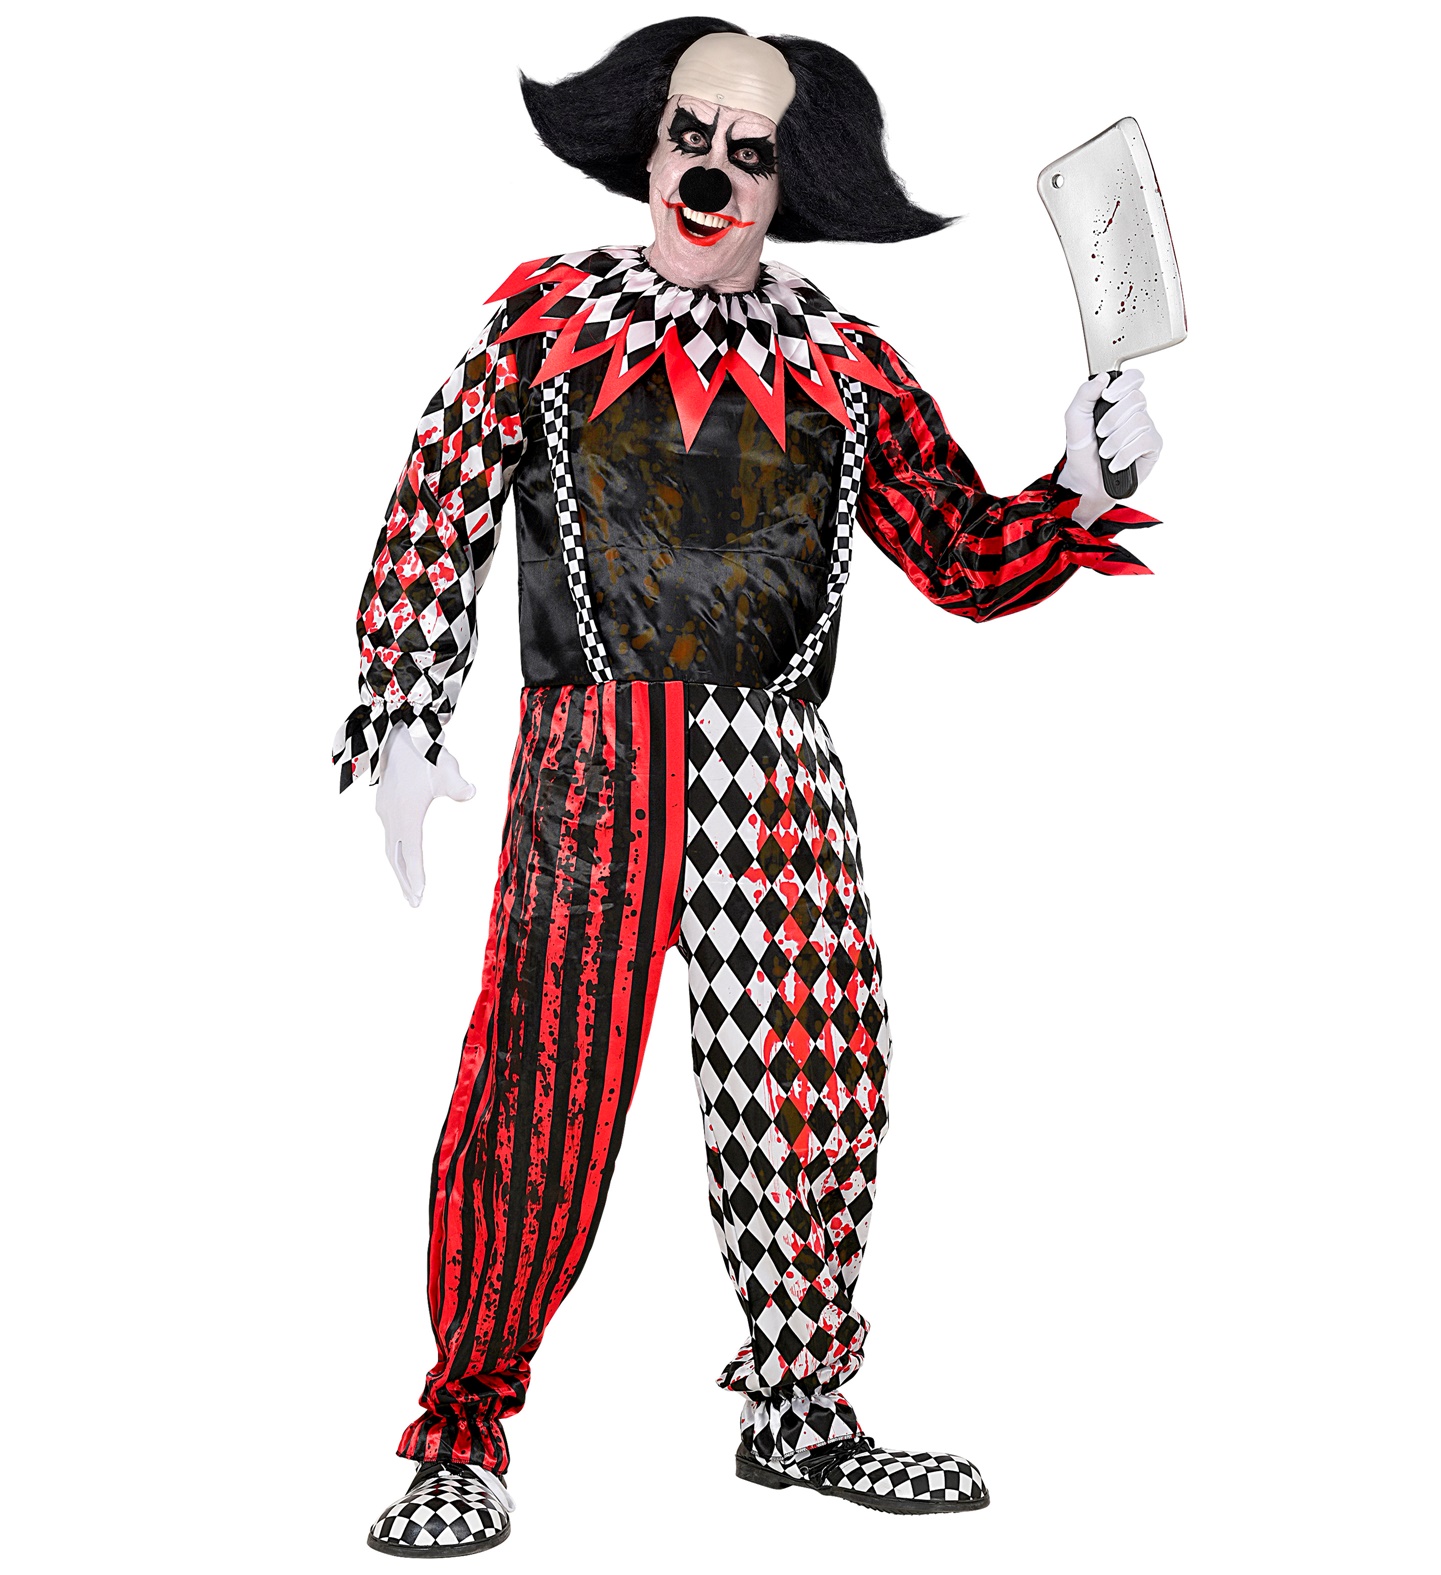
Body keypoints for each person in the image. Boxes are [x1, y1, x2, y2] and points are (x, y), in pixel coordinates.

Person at [334, 20, 1163, 1558]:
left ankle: (799, 1409)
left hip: (777, 768)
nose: (711, 171)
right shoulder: (545, 327)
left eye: (752, 151)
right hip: (590, 766)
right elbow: (434, 509)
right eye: (690, 135)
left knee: (816, 1083)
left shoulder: (842, 364)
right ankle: (461, 1426)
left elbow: (962, 558)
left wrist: (1077, 480)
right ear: (645, 147)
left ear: (791, 185)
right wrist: (401, 710)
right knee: (535, 1091)